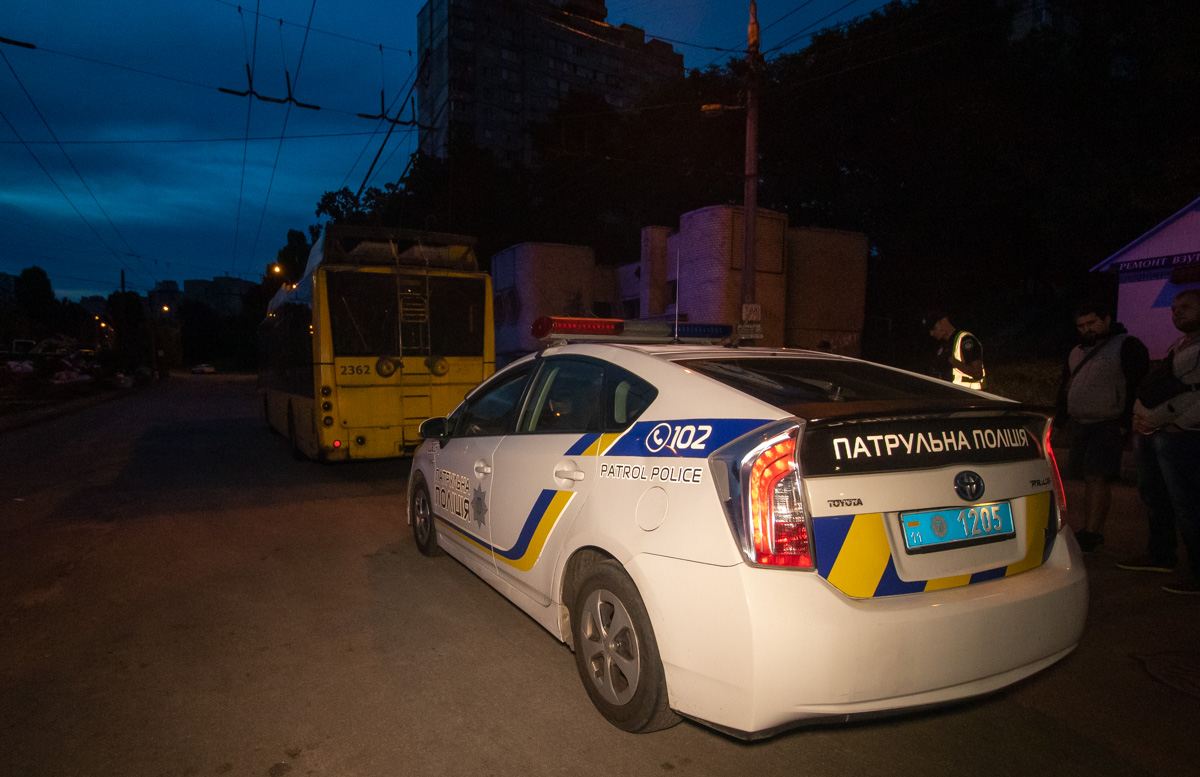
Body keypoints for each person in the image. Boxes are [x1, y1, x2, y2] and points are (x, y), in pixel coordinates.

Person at [1120, 288, 1200, 595]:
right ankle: (1160, 555)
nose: (1177, 312)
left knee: (1188, 505)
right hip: (1155, 435)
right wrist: (1142, 417)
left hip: (1184, 437)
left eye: (1186, 306)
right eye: (1174, 307)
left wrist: (1178, 423)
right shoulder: (1179, 344)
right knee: (1155, 498)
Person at [1053, 300, 1149, 553]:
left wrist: (1124, 423)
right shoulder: (1076, 351)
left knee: (1097, 477)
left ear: (1106, 319)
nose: (1087, 329)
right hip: (1082, 424)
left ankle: (1092, 532)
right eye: (1081, 325)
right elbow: (1065, 389)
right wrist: (1058, 423)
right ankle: (1087, 529)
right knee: (1086, 477)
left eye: (1092, 322)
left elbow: (1137, 386)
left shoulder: (1127, 345)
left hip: (1108, 423)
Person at [923, 310, 986, 389]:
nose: (931, 333)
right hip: (953, 394)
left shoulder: (965, 340)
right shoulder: (944, 346)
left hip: (970, 394)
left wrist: (953, 362)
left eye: (933, 328)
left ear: (944, 321)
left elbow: (977, 373)